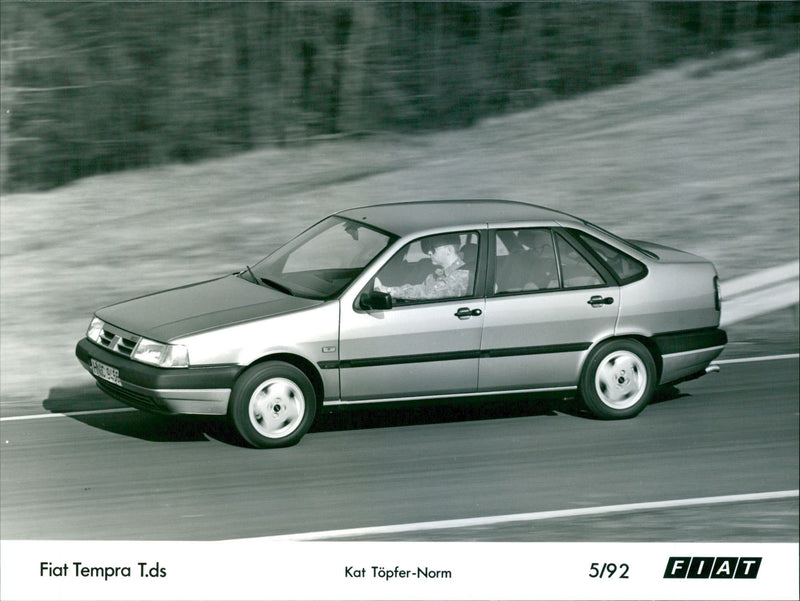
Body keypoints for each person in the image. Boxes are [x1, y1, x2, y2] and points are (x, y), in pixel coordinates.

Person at [374, 234, 469, 300]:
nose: (429, 252)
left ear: (449, 250)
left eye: (433, 249)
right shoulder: (437, 273)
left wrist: (386, 290)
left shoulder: (462, 275)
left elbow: (426, 292)